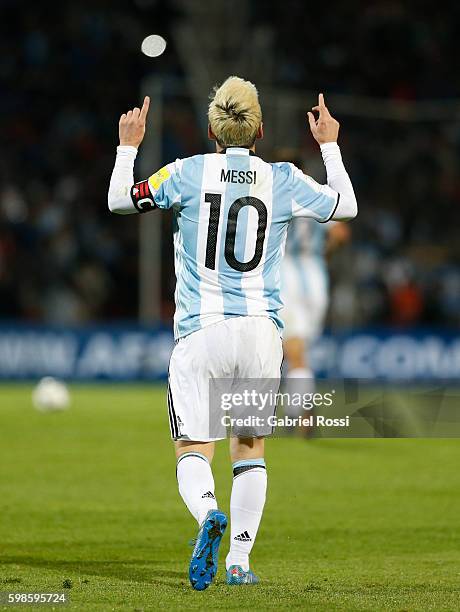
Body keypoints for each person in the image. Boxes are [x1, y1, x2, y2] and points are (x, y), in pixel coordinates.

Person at [107, 76, 357, 590]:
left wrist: (126, 148)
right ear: (261, 129)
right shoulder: (282, 177)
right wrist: (329, 144)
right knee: (250, 449)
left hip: (202, 332)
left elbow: (119, 201)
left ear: (210, 129)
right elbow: (345, 208)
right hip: (260, 335)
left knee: (193, 448)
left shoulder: (185, 172)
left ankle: (207, 516)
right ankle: (239, 563)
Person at [280, 198, 350, 429]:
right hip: (317, 280)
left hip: (287, 277)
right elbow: (341, 233)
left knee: (293, 350)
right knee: (299, 351)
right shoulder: (317, 197)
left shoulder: (276, 194)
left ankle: (302, 413)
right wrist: (324, 253)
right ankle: (294, 409)